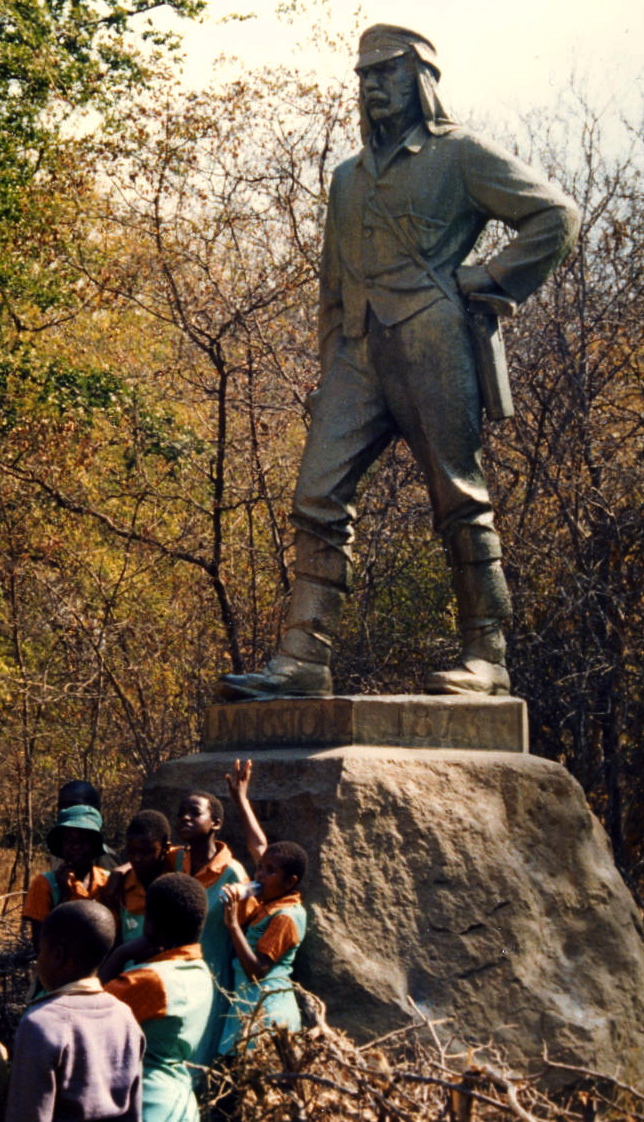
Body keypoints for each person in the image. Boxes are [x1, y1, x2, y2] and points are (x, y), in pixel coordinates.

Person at [217, 23, 580, 701]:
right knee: (316, 495)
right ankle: (303, 659)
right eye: (364, 77)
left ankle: (487, 656)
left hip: (433, 339)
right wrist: (333, 365)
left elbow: (555, 217)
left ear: (420, 78)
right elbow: (332, 283)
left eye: (386, 73)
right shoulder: (347, 179)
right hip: (359, 351)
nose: (373, 87)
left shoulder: (461, 154)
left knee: (457, 496)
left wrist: (487, 278)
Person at [5, 901, 144, 1122]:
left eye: (41, 951)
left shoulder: (41, 1023)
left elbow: (27, 1115)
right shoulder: (125, 1016)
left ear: (57, 955)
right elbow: (134, 1112)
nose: (38, 960)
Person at [104, 873, 213, 1122]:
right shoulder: (200, 971)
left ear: (151, 923)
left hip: (146, 1102)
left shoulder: (149, 980)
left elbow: (89, 1010)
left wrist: (119, 955)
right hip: (181, 1101)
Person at [172, 778, 266, 1061]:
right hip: (175, 973)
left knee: (200, 1055)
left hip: (212, 977)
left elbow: (252, 914)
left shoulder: (232, 874)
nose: (185, 818)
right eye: (181, 813)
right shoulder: (176, 862)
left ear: (215, 823)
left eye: (194, 813)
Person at [218, 841, 308, 1055]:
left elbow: (257, 971)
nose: (260, 876)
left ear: (289, 883)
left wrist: (232, 925)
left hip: (268, 1014)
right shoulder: (267, 906)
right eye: (260, 867)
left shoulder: (286, 917)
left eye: (270, 871)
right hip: (248, 1008)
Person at [23, 804, 111, 952]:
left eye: (82, 840)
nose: (76, 846)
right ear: (61, 845)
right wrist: (64, 896)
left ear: (94, 844)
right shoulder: (45, 884)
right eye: (69, 840)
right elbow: (40, 944)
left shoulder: (107, 881)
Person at [103, 810, 175, 944]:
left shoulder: (176, 882)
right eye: (131, 851)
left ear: (165, 849)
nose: (136, 859)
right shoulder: (123, 886)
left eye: (146, 852)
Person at [56, 779, 118, 869]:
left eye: (74, 806)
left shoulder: (106, 858)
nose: (67, 812)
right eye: (62, 807)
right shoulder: (59, 853)